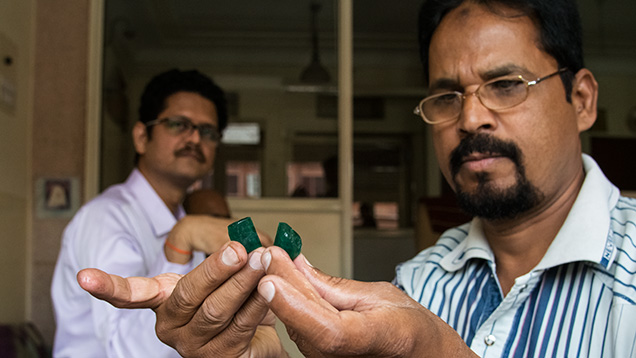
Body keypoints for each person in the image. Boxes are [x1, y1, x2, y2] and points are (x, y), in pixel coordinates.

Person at [74, 0, 636, 357]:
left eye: (507, 84)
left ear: (581, 99)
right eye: (446, 96)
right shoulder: (419, 281)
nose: (470, 118)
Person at [51, 69, 242, 357]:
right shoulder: (106, 218)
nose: (194, 138)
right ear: (141, 137)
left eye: (207, 132)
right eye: (179, 124)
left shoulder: (185, 218)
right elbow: (127, 350)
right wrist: (181, 240)